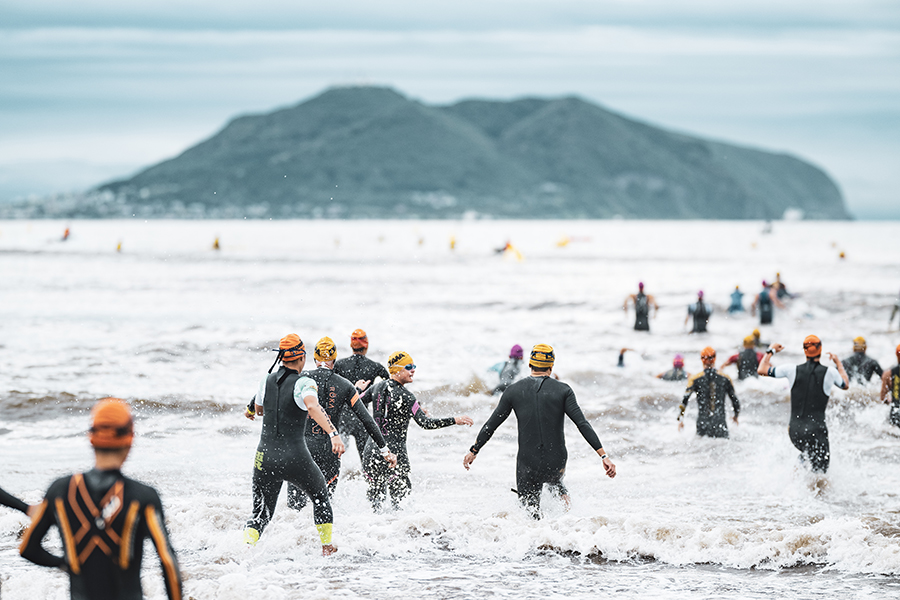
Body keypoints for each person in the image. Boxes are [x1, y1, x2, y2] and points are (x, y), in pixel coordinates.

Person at [19, 398, 182, 600]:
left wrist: (66, 562)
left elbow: (28, 549)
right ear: (130, 437)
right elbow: (167, 561)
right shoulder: (142, 496)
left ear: (92, 438)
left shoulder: (60, 490)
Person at [463, 344, 616, 518]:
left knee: (530, 515)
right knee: (556, 482)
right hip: (556, 461)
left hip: (528, 463)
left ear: (529, 365)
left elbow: (491, 425)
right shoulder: (564, 390)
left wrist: (474, 451)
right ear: (551, 367)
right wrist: (604, 456)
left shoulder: (512, 391)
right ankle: (571, 521)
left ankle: (537, 539)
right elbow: (582, 424)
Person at [243, 334, 344, 556]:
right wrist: (333, 433)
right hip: (295, 458)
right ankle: (327, 547)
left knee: (260, 513)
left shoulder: (266, 380)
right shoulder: (304, 383)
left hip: (264, 457)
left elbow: (258, 409)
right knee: (321, 498)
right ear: (301, 358)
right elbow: (313, 407)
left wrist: (253, 410)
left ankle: (245, 551)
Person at [285, 337, 397, 510]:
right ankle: (325, 537)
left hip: (302, 448)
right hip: (329, 451)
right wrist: (384, 450)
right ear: (334, 360)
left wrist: (252, 408)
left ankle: (295, 536)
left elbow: (273, 390)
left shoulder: (300, 379)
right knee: (323, 506)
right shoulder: (344, 385)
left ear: (315, 359)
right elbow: (367, 419)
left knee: (294, 509)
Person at [362, 351, 473, 510]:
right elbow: (425, 423)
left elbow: (356, 403)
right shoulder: (408, 397)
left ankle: (372, 533)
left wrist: (356, 389)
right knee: (400, 508)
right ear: (396, 370)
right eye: (408, 367)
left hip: (372, 452)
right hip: (395, 455)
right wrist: (455, 420)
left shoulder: (377, 387)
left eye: (413, 366)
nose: (413, 370)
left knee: (375, 507)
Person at [758, 335, 849, 473]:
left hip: (795, 431)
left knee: (807, 453)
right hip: (816, 431)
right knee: (820, 475)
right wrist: (838, 363)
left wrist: (771, 351)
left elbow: (762, 370)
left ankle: (796, 476)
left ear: (804, 350)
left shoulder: (791, 369)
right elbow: (845, 384)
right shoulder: (830, 372)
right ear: (820, 349)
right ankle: (802, 479)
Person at [334, 328, 391, 461]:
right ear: (366, 345)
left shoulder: (340, 365)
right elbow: (390, 386)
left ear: (351, 345)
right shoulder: (374, 366)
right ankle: (365, 479)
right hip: (362, 416)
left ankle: (340, 478)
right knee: (365, 457)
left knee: (337, 455)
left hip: (343, 416)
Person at [677, 347, 740, 438]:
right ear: (715, 358)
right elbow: (735, 400)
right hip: (720, 423)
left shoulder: (695, 379)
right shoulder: (725, 378)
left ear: (702, 360)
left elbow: (685, 400)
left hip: (703, 423)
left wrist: (680, 420)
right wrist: (736, 416)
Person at [880, 344, 900, 428]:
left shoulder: (888, 373)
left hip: (896, 412)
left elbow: (883, 397)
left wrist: (889, 401)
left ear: (896, 354)